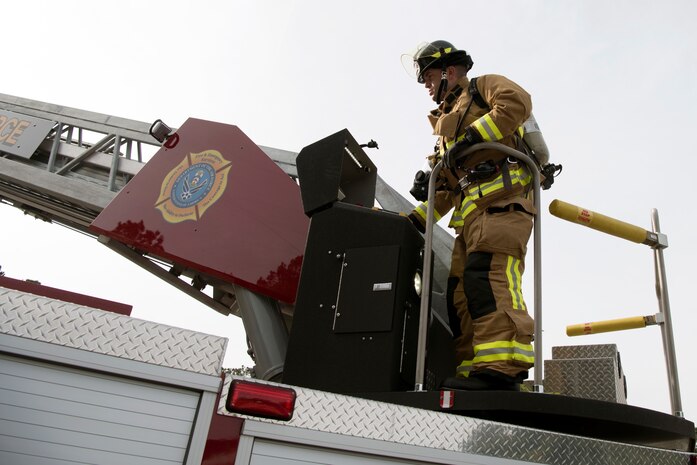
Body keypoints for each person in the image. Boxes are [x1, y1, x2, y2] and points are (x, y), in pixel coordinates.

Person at [405, 40, 536, 391]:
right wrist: (412, 221)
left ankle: (502, 368)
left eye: (429, 78)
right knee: (461, 294)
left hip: (503, 206)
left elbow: (516, 103)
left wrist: (471, 138)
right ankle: (471, 372)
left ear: (449, 71)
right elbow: (448, 190)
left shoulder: (483, 87)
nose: (428, 87)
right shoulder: (446, 130)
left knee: (489, 280)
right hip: (472, 220)